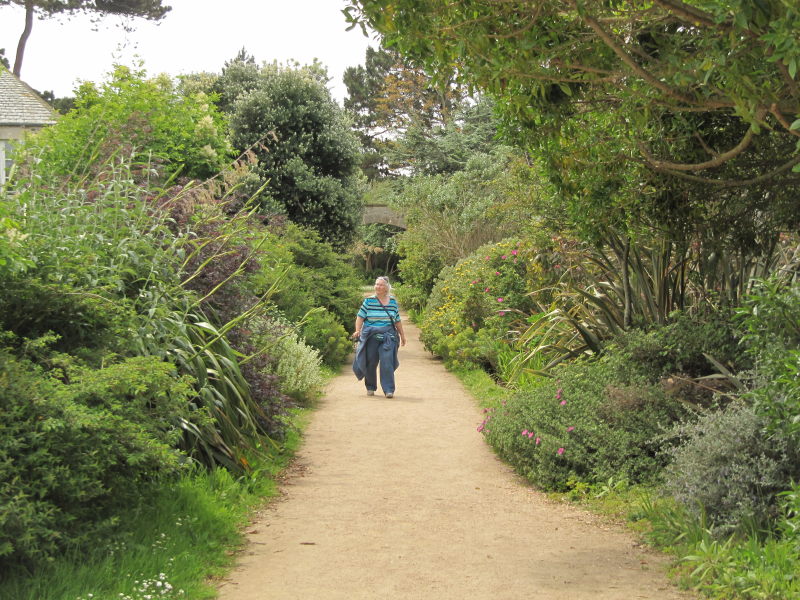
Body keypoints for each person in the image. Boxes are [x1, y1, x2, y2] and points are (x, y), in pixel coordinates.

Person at [352, 276, 407, 398]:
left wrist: (402, 335)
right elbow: (360, 317)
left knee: (387, 361)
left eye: (381, 285)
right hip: (371, 336)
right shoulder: (369, 301)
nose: (378, 287)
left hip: (388, 337)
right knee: (371, 362)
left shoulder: (392, 302)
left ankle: (389, 390)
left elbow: (397, 320)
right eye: (376, 284)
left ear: (387, 287)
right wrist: (357, 330)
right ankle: (370, 387)